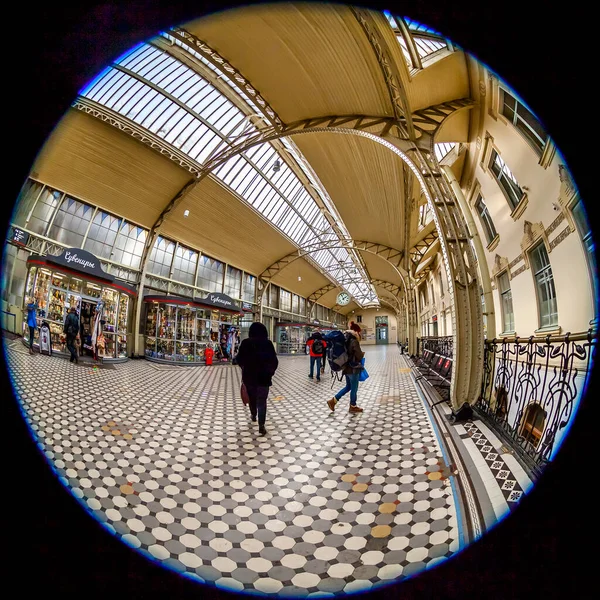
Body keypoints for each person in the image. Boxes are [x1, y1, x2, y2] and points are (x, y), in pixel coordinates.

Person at [235, 322, 279, 436]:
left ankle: (253, 414)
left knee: (252, 399)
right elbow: (274, 361)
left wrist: (244, 367)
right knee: (262, 401)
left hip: (249, 378)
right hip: (264, 378)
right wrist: (270, 372)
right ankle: (261, 426)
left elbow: (239, 359)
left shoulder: (245, 343)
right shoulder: (268, 344)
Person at [327, 321, 365, 413]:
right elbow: (359, 355)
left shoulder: (346, 339)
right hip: (353, 368)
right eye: (359, 332)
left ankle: (333, 400)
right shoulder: (354, 341)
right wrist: (362, 354)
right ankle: (353, 405)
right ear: (356, 331)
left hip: (346, 367)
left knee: (348, 386)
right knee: (354, 388)